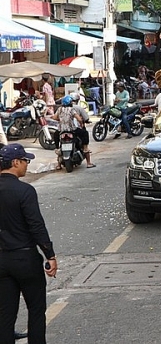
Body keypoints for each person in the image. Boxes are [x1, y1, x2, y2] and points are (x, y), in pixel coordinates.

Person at [0, 143, 58, 344]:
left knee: (5, 316)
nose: (27, 165)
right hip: (26, 260)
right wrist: (49, 255)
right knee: (36, 310)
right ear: (15, 162)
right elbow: (36, 226)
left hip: (2, 261)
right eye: (25, 161)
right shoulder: (24, 191)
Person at [68, 93, 95, 168]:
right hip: (76, 129)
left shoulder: (62, 109)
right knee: (85, 136)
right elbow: (85, 118)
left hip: (65, 130)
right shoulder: (78, 108)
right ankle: (88, 162)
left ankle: (58, 164)